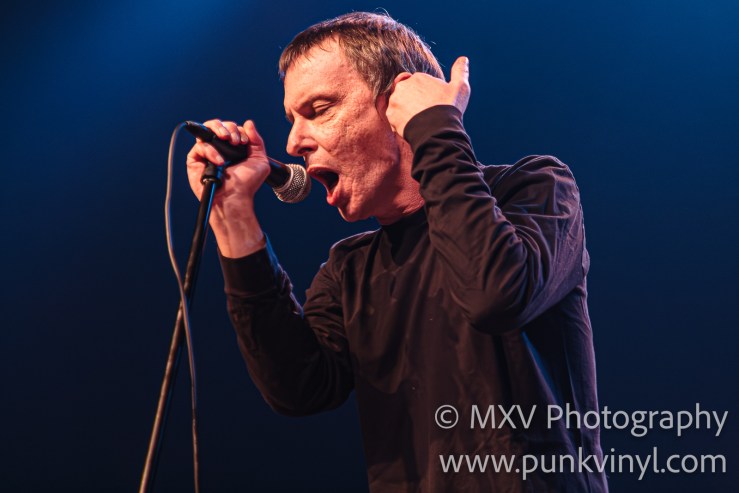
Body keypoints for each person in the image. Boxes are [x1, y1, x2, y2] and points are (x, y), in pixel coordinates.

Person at [186, 12, 607, 493]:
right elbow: (297, 388)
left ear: (398, 103)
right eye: (292, 119)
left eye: (318, 109)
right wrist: (233, 217)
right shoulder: (349, 270)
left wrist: (436, 129)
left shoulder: (534, 189)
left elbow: (494, 293)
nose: (293, 142)